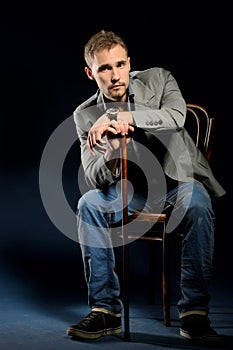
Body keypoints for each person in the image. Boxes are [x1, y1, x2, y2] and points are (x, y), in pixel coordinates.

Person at [66, 30, 226, 344]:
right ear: (90, 73)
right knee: (88, 204)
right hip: (127, 193)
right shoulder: (85, 116)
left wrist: (122, 116)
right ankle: (105, 311)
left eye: (120, 64)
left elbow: (176, 117)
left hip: (174, 186)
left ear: (129, 63)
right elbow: (94, 176)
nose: (114, 75)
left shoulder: (159, 80)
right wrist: (111, 151)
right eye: (104, 69)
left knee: (198, 202)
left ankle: (194, 313)